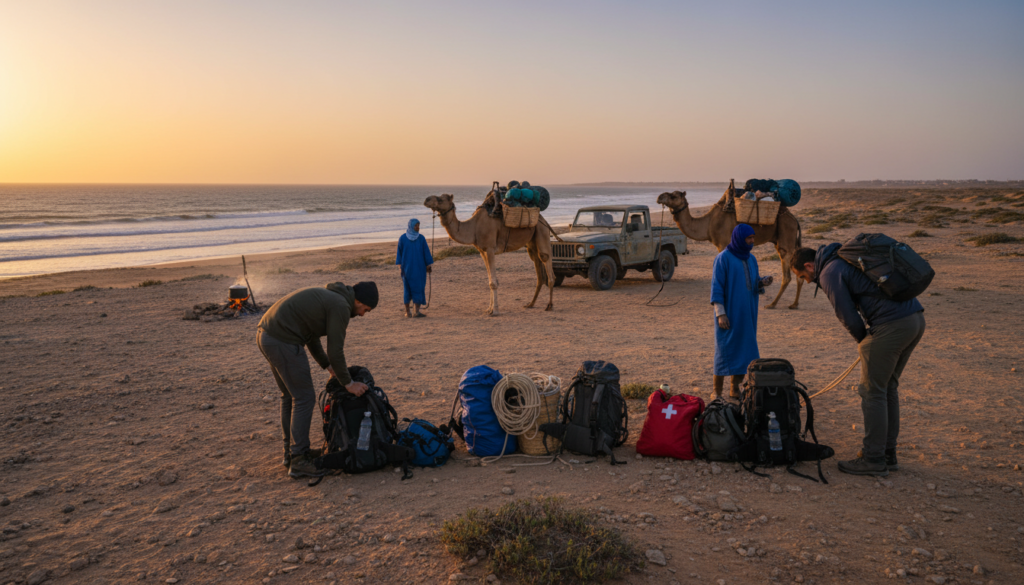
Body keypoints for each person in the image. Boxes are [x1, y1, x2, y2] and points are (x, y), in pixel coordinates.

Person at [791, 246, 925, 477]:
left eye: (803, 276)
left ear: (809, 266)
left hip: (892, 326)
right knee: (887, 387)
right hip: (914, 319)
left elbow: (847, 316)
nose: (807, 281)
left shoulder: (829, 272)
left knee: (872, 391)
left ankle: (873, 458)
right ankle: (887, 454)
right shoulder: (843, 260)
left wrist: (865, 343)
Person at [256, 281, 379, 479]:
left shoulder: (330, 297)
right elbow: (336, 350)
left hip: (268, 335)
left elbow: (311, 336)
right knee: (303, 398)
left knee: (289, 396)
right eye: (365, 309)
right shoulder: (341, 305)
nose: (363, 314)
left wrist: (327, 365)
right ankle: (299, 460)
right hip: (283, 340)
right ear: (358, 301)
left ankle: (292, 454)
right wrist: (348, 383)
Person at [711, 224, 773, 400]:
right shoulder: (722, 258)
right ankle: (716, 391)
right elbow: (717, 287)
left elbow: (753, 283)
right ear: (739, 238)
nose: (752, 241)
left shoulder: (751, 259)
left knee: (745, 350)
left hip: (748, 313)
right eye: (749, 238)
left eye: (753, 238)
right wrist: (721, 314)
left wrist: (761, 282)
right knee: (724, 350)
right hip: (729, 313)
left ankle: (734, 388)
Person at [396, 218, 434, 318]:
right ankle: (407, 312)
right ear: (411, 226)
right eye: (415, 225)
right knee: (407, 289)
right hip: (406, 269)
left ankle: (416, 311)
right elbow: (399, 253)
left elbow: (426, 252)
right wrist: (400, 267)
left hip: (419, 268)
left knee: (419, 288)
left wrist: (428, 265)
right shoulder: (403, 238)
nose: (417, 227)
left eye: (418, 225)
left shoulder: (421, 238)